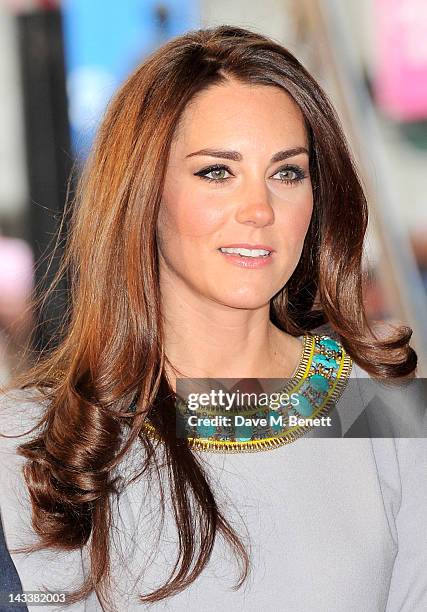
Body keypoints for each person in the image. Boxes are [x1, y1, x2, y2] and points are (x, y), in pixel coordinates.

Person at [0, 24, 425, 612]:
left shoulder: (380, 410)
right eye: (217, 172)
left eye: (287, 173)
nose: (258, 210)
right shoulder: (24, 441)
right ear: (143, 194)